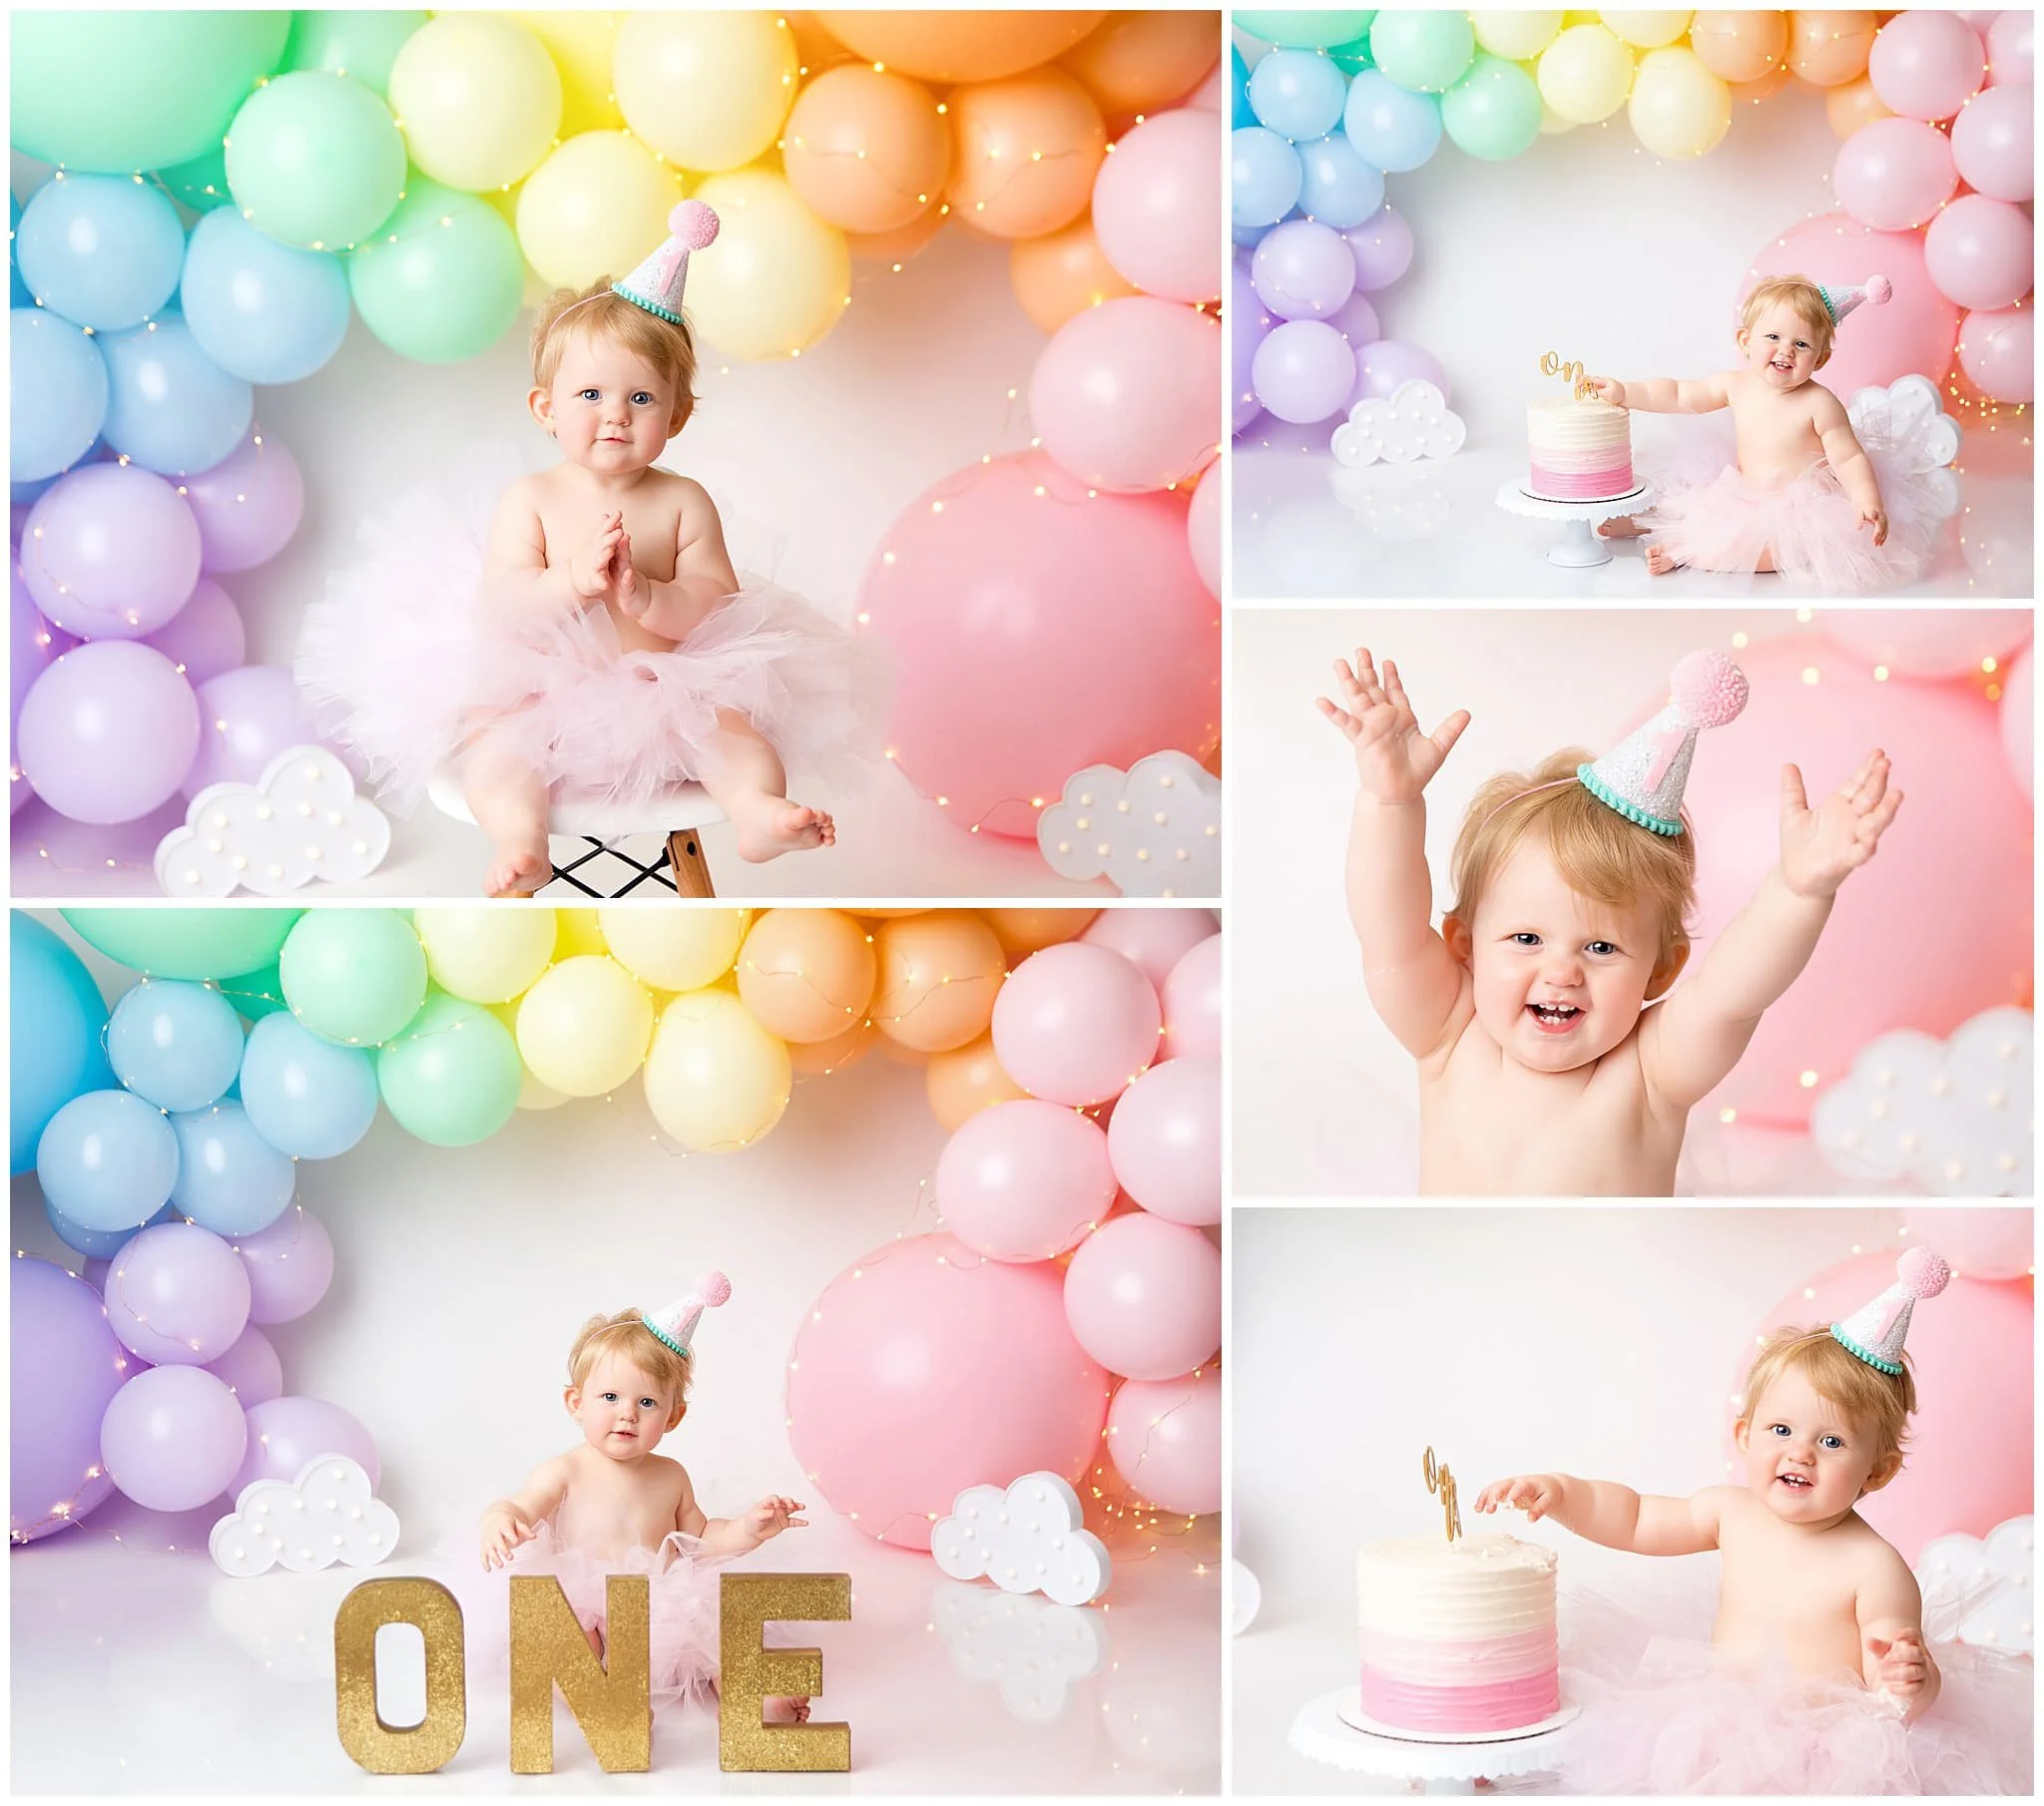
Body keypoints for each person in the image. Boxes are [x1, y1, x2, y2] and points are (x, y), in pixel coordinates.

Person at [298, 202, 879, 895]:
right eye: (591, 393)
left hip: (670, 685)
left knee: (737, 738)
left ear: (676, 413)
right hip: (541, 688)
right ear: (546, 408)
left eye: (640, 397)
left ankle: (755, 812)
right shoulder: (532, 499)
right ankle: (522, 837)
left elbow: (718, 602)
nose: (615, 414)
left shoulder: (682, 501)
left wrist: (647, 596)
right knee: (497, 749)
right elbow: (503, 605)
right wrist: (567, 583)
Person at [1316, 646, 1901, 1193]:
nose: (1562, 972)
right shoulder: (1449, 1032)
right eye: (1526, 939)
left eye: (1600, 948)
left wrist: (1799, 890)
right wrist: (1390, 801)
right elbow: (1386, 929)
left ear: (1662, 969)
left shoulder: (1652, 1072)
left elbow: (1734, 993)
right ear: (1464, 943)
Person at [1477, 1249, 2031, 1794]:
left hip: (1824, 1749)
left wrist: (1910, 1679)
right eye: (1782, 1430)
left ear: (1877, 1472)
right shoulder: (1731, 1511)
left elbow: (1889, 1676)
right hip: (1718, 1723)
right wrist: (1563, 1493)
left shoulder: (1874, 1567)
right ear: (1746, 1435)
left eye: (1832, 1441)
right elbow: (1636, 1518)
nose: (1801, 1454)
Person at [474, 1273, 809, 1717]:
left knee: (713, 1639)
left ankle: (755, 1697)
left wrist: (750, 1529)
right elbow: (523, 1504)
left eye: (647, 1403)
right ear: (576, 1403)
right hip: (587, 1609)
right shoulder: (565, 1470)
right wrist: (500, 1519)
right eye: (610, 1396)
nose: (627, 1414)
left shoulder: (671, 1476)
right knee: (564, 1637)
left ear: (674, 1416)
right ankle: (601, 1699)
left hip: (658, 1610)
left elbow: (703, 1539)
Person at [1591, 274, 1951, 589]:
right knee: (1686, 507)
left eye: (1801, 344)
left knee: (1774, 551)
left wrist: (1865, 500)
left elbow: (1848, 455)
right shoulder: (1737, 385)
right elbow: (1679, 394)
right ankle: (1641, 523)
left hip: (1802, 507)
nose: (1785, 351)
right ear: (1746, 341)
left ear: (1820, 359)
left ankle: (1685, 553)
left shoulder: (1820, 403)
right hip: (1743, 491)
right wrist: (1625, 392)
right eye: (1774, 337)